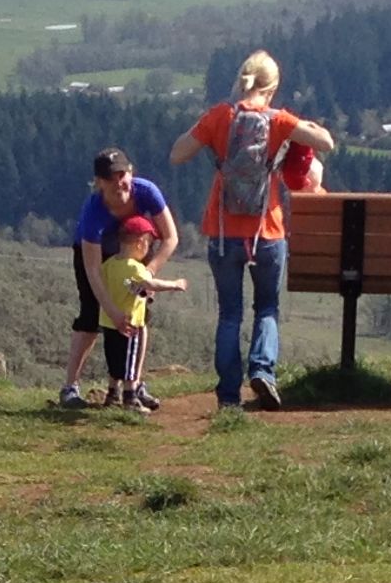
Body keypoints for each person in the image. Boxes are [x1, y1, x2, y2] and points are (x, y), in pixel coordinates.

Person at [171, 52, 334, 416]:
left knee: (230, 314)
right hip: (268, 229)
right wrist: (293, 125)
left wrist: (210, 132)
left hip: (224, 231)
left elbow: (177, 154)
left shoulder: (220, 116)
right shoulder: (279, 120)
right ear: (273, 87)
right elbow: (326, 143)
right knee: (267, 308)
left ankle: (229, 394)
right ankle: (262, 371)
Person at [60, 147, 175, 408]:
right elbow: (93, 270)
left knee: (139, 314)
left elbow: (170, 237)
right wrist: (111, 310)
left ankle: (133, 385)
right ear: (98, 182)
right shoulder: (93, 211)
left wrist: (148, 274)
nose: (118, 183)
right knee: (90, 316)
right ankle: (70, 387)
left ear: (131, 172)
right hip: (96, 255)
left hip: (135, 253)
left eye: (121, 175)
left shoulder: (147, 192)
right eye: (109, 178)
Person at [92, 233, 184, 411]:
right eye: (149, 244)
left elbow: (122, 282)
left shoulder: (110, 264)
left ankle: (112, 394)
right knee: (130, 363)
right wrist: (175, 284)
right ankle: (130, 398)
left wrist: (131, 288)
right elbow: (151, 284)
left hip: (109, 321)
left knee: (114, 360)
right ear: (140, 243)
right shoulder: (136, 268)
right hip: (130, 323)